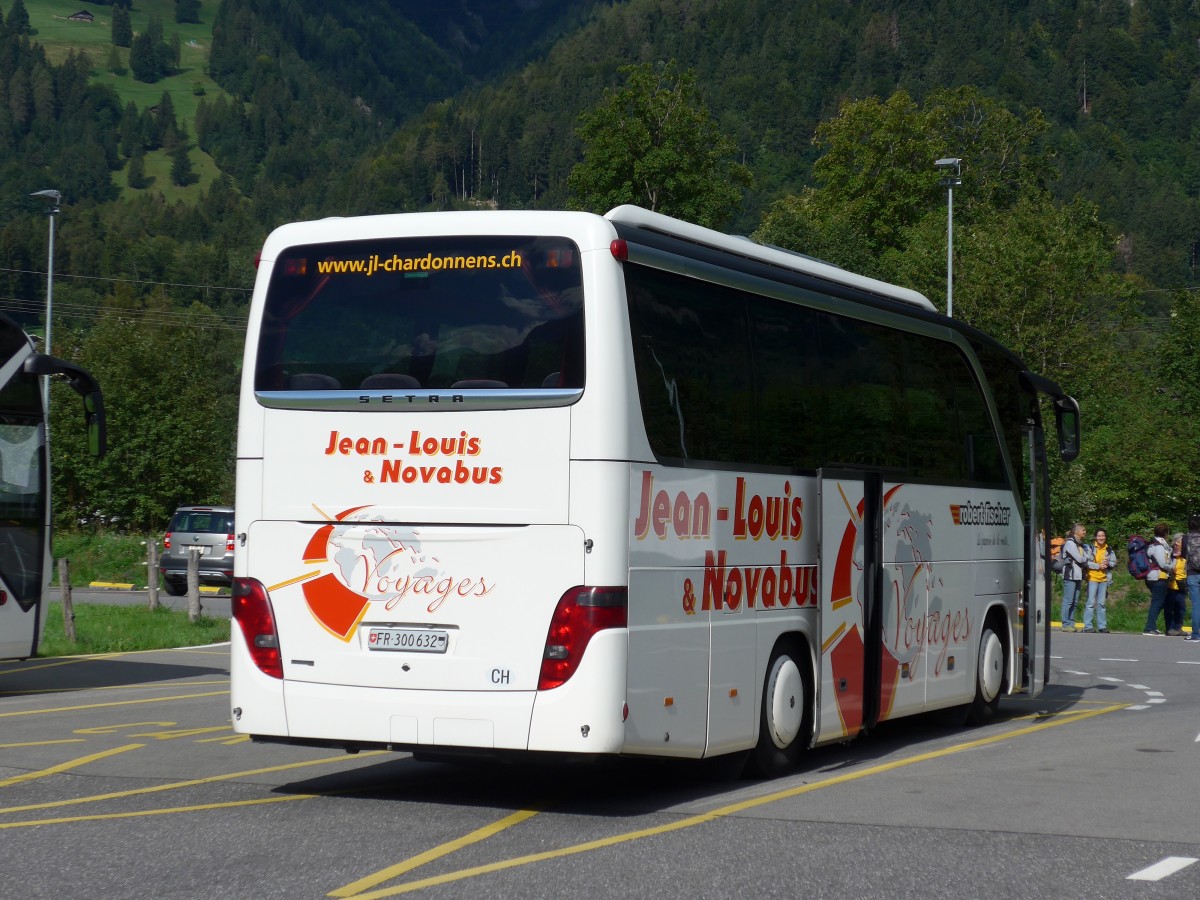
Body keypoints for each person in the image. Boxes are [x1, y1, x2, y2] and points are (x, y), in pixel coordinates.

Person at [1083, 528, 1116, 633]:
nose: (1101, 538)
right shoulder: (1090, 548)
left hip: (1104, 579)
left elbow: (1113, 562)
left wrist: (1108, 564)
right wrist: (1098, 566)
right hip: (1092, 577)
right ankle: (1088, 626)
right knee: (1091, 602)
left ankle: (1102, 626)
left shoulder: (1109, 549)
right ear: (1095, 537)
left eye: (1103, 536)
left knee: (1102, 603)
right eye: (1099, 536)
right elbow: (1086, 562)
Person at [1143, 522, 1173, 635]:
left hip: (1151, 576)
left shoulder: (1152, 544)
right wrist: (1172, 567)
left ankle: (1152, 626)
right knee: (1157, 602)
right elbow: (1162, 563)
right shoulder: (1159, 547)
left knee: (1158, 602)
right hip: (1158, 577)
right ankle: (1149, 627)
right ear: (1165, 533)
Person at [1060, 523, 1087, 632]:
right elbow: (1080, 559)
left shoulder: (1079, 544)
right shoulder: (1070, 544)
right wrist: (1086, 559)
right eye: (1083, 530)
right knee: (1068, 600)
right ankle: (1065, 624)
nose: (1085, 532)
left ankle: (1071, 623)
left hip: (1078, 575)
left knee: (1075, 601)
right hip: (1070, 575)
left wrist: (1085, 559)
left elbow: (1084, 557)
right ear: (1076, 532)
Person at [1165, 533, 1188, 635]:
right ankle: (1170, 628)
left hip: (1181, 584)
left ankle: (1178, 627)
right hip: (1171, 585)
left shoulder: (1186, 554)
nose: (1178, 545)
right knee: (1170, 607)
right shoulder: (1170, 554)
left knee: (1181, 607)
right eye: (1177, 542)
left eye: (1180, 543)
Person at [1185, 515, 1200, 642]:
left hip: (1192, 573)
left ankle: (1196, 634)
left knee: (1196, 604)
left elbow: (1185, 555)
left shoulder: (1185, 538)